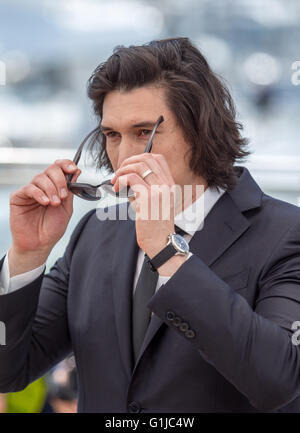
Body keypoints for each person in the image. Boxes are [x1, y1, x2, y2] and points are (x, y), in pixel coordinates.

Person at [0, 37, 300, 413]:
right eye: (111, 135)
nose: (124, 156)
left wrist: (167, 251)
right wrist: (27, 255)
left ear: (199, 130)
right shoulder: (95, 232)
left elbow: (280, 380)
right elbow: (7, 370)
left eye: (144, 133)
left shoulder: (287, 234)